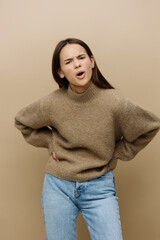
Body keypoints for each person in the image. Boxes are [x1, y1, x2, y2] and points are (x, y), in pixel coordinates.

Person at [14, 38, 160, 240]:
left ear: (92, 61)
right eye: (68, 62)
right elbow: (22, 121)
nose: (77, 64)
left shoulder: (114, 102)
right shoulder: (52, 103)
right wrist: (50, 142)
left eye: (81, 58)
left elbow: (150, 126)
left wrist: (116, 153)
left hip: (99, 186)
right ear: (60, 72)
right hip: (58, 186)